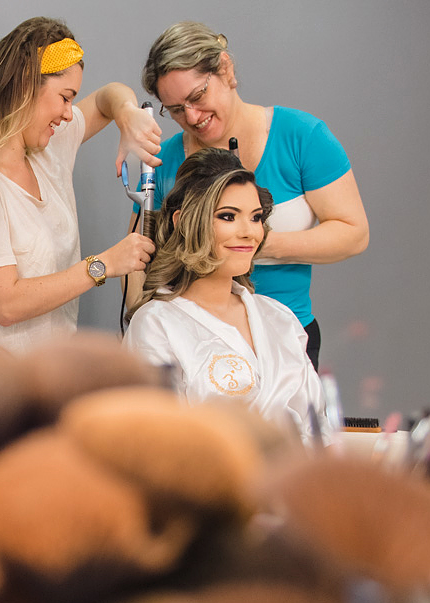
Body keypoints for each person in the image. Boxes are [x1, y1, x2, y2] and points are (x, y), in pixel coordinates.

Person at [131, 21, 369, 369]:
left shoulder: (301, 137)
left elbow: (353, 233)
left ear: (224, 68)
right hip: (191, 344)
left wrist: (253, 242)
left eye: (197, 97)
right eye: (177, 109)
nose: (193, 117)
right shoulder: (161, 164)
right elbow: (138, 258)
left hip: (286, 337)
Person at [0, 17, 162, 351]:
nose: (68, 114)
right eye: (65, 97)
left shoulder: (48, 149)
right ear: (24, 84)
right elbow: (7, 305)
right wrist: (103, 265)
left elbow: (109, 96)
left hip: (48, 376)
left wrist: (128, 117)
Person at [125, 150, 332, 445]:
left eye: (256, 217)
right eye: (228, 216)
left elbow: (319, 426)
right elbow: (159, 444)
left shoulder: (280, 318)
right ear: (183, 221)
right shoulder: (156, 325)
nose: (249, 232)